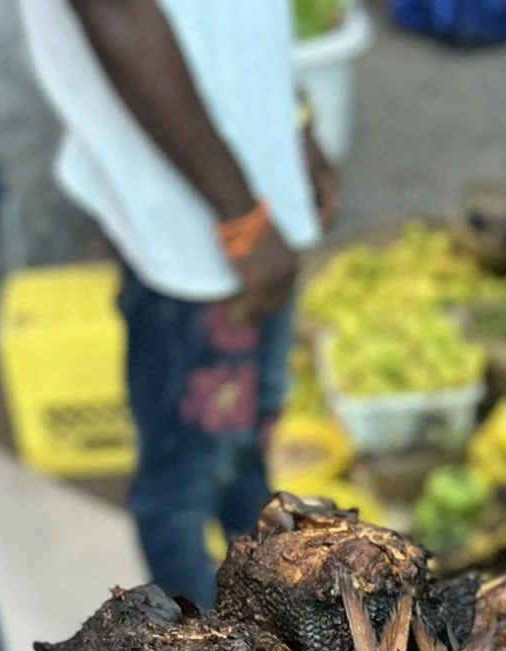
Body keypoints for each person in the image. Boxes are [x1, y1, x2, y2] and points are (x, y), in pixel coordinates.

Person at [19, 0, 338, 609]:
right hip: (198, 226)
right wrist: (241, 218)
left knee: (245, 454)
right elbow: (120, 13)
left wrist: (293, 121)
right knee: (180, 492)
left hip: (251, 206)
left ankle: (274, 634)